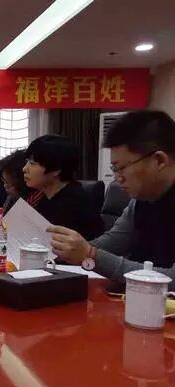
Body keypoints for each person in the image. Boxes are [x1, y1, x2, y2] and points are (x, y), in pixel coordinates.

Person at [48, 111, 175, 290]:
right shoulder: (141, 199)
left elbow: (172, 279)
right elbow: (114, 241)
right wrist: (66, 249)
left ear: (159, 160)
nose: (117, 178)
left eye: (121, 168)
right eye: (114, 169)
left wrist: (91, 255)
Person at [23, 135, 104, 240]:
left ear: (56, 170)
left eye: (32, 163)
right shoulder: (46, 197)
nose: (24, 169)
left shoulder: (75, 204)